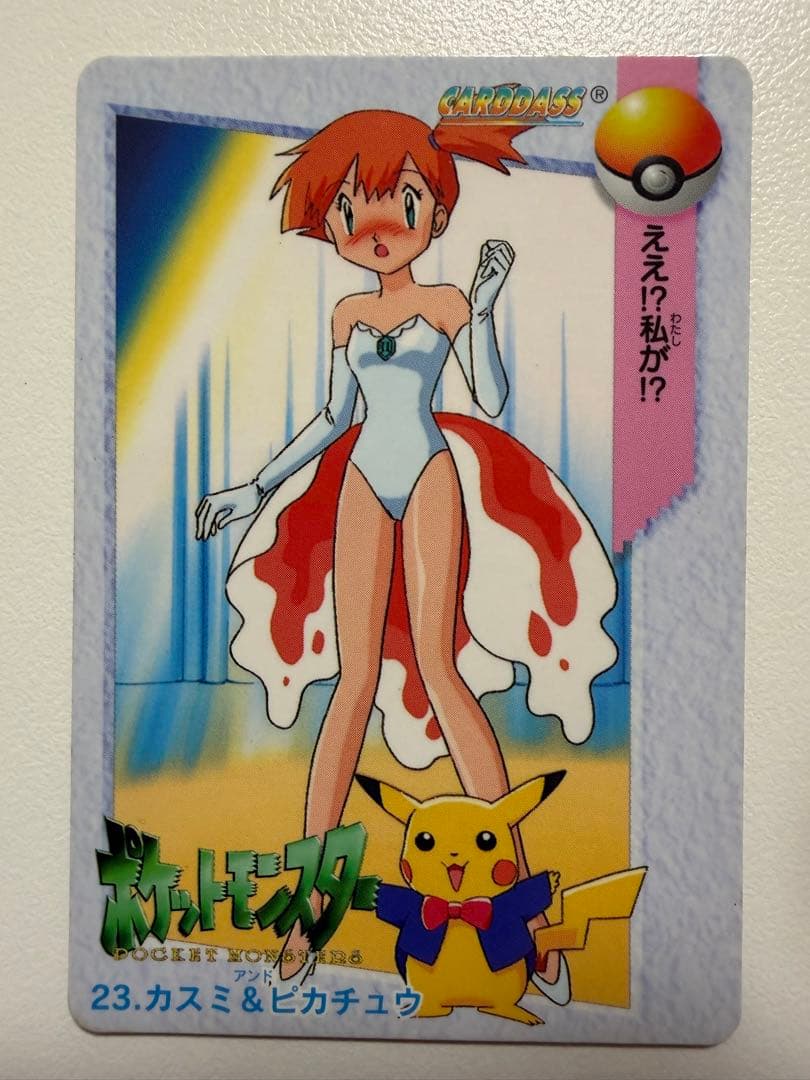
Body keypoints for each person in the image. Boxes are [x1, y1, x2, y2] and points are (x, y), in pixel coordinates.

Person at [195, 110, 617, 988]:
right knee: (350, 685)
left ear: (435, 212)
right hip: (360, 481)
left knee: (438, 667)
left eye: (402, 201)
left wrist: (485, 312)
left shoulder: (448, 303)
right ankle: (311, 907)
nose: (377, 226)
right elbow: (331, 418)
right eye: (352, 208)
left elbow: (490, 399)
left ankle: (524, 913)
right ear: (332, 222)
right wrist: (254, 489)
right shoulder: (349, 313)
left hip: (427, 477)